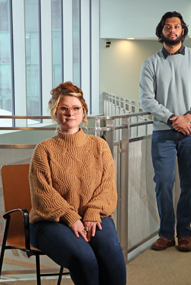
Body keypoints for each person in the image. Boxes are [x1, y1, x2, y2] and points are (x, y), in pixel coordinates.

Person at [29, 82, 126, 285]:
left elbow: (107, 187)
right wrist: (72, 217)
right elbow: (43, 194)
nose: (70, 113)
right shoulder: (44, 150)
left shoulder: (99, 145)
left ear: (84, 112)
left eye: (75, 108)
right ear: (55, 112)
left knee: (111, 252)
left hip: (94, 215)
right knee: (85, 258)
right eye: (64, 108)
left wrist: (92, 212)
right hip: (52, 221)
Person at [139, 11, 191, 252]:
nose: (172, 30)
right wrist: (173, 119)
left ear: (183, 30)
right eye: (168, 26)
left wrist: (189, 117)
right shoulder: (150, 63)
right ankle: (165, 233)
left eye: (177, 26)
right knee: (163, 182)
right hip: (163, 131)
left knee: (189, 184)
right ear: (161, 31)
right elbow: (146, 100)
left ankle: (184, 233)